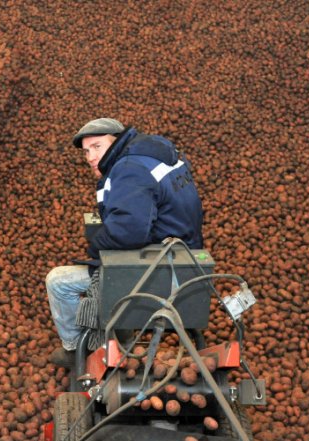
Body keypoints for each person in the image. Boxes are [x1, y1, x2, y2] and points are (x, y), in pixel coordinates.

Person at [46, 117, 204, 367]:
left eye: (97, 147)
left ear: (117, 141)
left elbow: (130, 232)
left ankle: (75, 350)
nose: (89, 157)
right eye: (86, 151)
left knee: (58, 282)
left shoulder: (129, 168)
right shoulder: (152, 155)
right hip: (184, 253)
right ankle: (124, 333)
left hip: (159, 270)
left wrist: (96, 247)